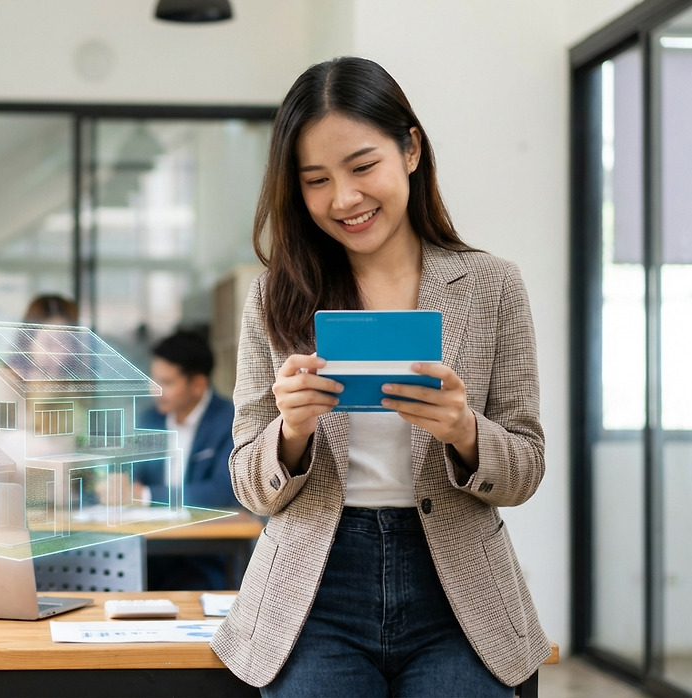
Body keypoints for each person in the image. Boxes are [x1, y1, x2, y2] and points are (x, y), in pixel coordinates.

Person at [208, 56, 551, 696]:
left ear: (411, 150)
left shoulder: (492, 286)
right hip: (314, 593)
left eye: (363, 166)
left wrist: (466, 432)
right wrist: (290, 434)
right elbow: (248, 485)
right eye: (316, 179)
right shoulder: (273, 298)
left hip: (458, 591)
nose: (344, 199)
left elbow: (526, 467)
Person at [134, 329, 239, 590]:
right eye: (154, 379)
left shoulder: (229, 420)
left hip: (206, 555)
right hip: (149, 550)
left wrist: (146, 495)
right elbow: (134, 474)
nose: (155, 390)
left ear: (198, 384)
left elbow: (223, 491)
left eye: (167, 383)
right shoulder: (150, 419)